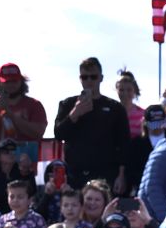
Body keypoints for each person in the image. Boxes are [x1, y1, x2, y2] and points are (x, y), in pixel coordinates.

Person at [53, 57, 130, 193]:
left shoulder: (114, 108)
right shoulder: (67, 104)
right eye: (85, 77)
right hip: (75, 174)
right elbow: (59, 134)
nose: (89, 81)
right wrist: (75, 113)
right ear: (80, 78)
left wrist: (121, 175)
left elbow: (124, 144)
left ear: (101, 78)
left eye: (93, 77)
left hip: (105, 174)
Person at [0, 63, 48, 163]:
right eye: (6, 82)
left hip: (23, 168)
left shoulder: (34, 105)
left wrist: (12, 115)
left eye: (14, 81)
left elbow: (38, 132)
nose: (11, 85)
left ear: (21, 82)